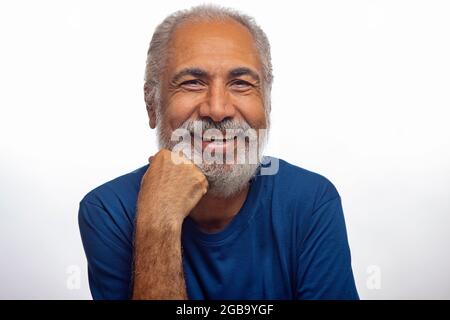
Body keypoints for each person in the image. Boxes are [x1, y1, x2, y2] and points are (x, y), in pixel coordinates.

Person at [78, 4, 359, 300]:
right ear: (151, 104)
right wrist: (158, 224)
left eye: (241, 84)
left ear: (267, 102)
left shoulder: (311, 201)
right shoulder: (108, 210)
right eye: (192, 83)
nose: (217, 109)